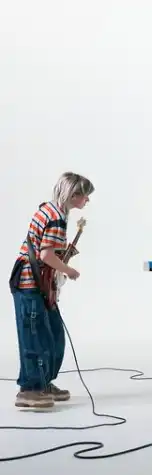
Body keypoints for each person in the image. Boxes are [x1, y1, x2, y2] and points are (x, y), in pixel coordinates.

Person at [8, 172, 94, 408]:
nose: (87, 200)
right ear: (74, 194)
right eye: (85, 195)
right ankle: (31, 389)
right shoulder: (56, 218)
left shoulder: (52, 211)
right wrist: (68, 270)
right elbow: (46, 255)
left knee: (52, 334)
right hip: (30, 284)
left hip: (39, 284)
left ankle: (43, 382)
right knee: (35, 337)